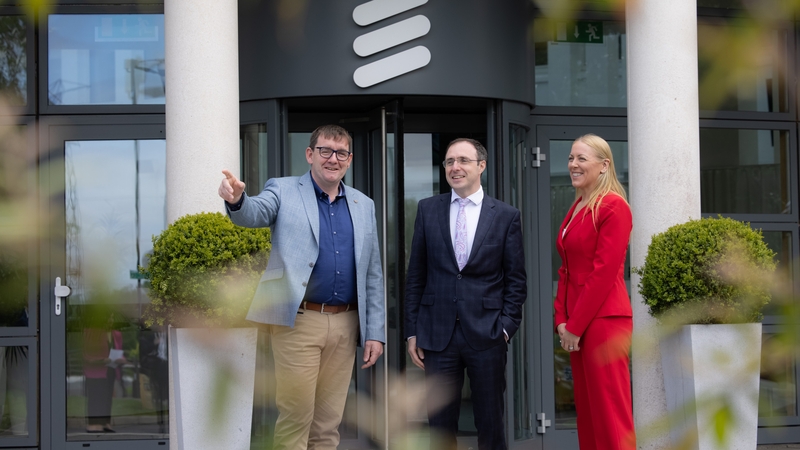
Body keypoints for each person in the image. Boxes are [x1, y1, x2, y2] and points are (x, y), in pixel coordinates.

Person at [218, 124, 385, 450]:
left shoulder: (364, 205)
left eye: (340, 153)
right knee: (296, 416)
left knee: (328, 422)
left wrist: (375, 332)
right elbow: (254, 213)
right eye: (325, 151)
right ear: (310, 154)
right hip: (298, 321)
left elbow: (373, 274)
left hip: (346, 324)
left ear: (349, 160)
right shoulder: (282, 190)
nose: (332, 159)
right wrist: (238, 200)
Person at [405, 138, 527, 450]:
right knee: (440, 425)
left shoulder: (505, 215)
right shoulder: (427, 209)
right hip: (436, 333)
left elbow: (516, 280)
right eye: (449, 162)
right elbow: (416, 275)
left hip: (487, 333)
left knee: (490, 420)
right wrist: (412, 331)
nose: (455, 167)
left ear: (481, 166)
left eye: (462, 161)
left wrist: (505, 328)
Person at [554, 133, 636, 450]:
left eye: (581, 159)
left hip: (604, 322)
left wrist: (574, 325)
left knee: (610, 412)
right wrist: (561, 319)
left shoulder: (614, 207)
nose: (573, 164)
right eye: (571, 158)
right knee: (587, 412)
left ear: (604, 165)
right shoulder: (578, 207)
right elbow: (566, 269)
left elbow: (603, 274)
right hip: (579, 323)